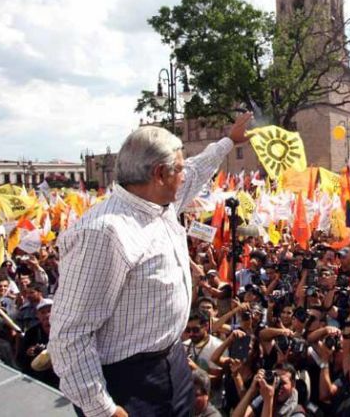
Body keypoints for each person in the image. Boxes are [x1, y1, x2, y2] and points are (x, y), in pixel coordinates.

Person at [49, 113, 253, 417]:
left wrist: (228, 142)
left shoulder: (160, 202)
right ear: (160, 173)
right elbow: (69, 334)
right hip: (129, 385)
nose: (185, 176)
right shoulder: (104, 232)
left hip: (174, 366)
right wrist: (103, 409)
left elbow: (196, 171)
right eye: (179, 170)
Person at [17, 298, 59, 388]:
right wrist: (28, 353)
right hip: (38, 378)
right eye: (43, 312)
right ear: (38, 316)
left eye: (50, 311)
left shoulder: (65, 331)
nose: (47, 315)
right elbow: (20, 359)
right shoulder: (31, 333)